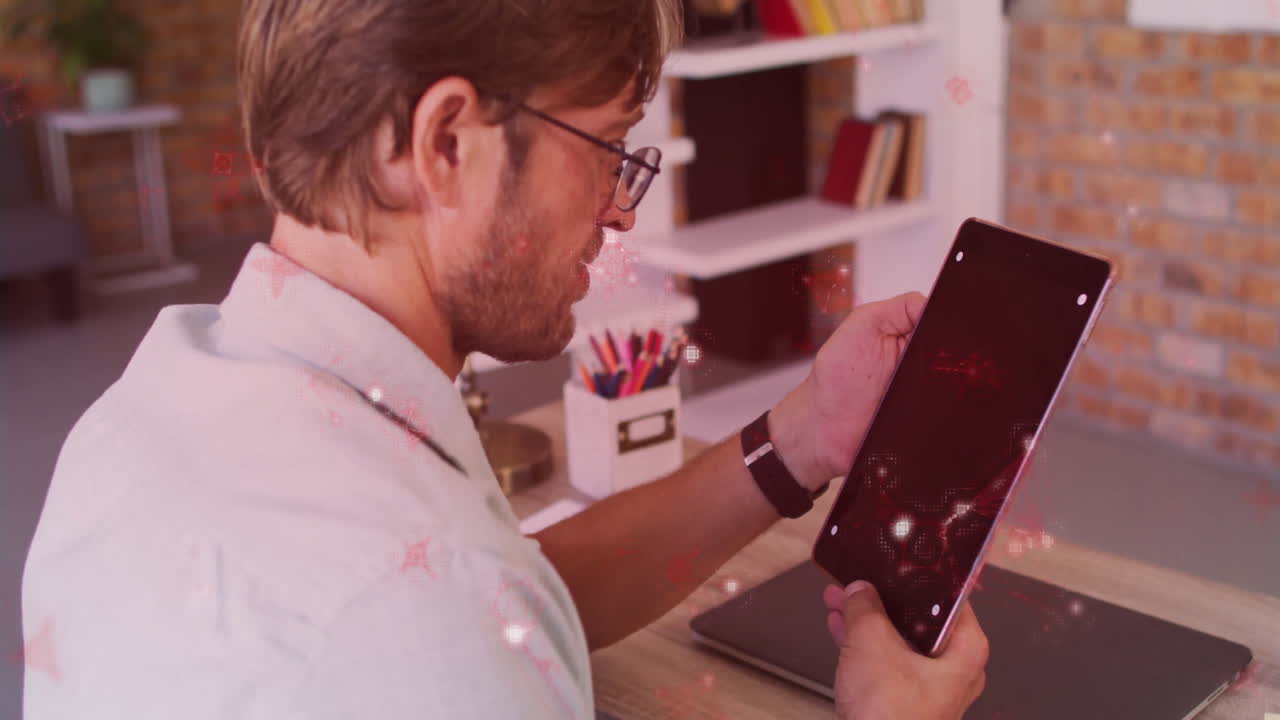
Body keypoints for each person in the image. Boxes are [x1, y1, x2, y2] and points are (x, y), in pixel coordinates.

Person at [20, 1, 987, 718]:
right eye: (607, 146)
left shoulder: (144, 410)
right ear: (445, 142)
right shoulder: (418, 610)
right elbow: (460, 607)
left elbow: (526, 595)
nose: (620, 211)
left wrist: (801, 436)